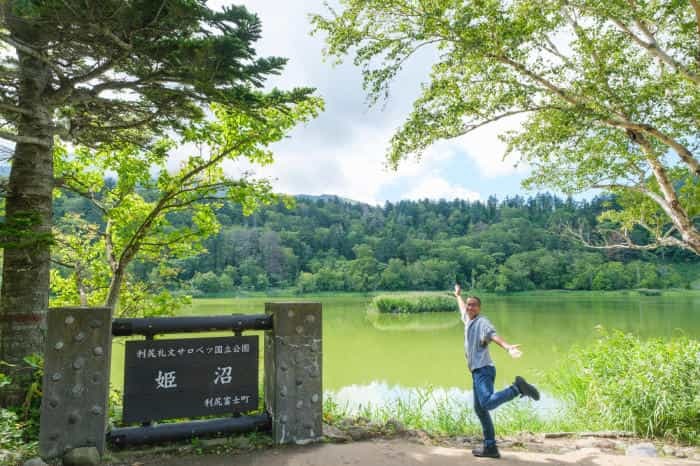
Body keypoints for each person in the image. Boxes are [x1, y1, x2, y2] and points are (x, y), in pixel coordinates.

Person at [454, 284, 540, 459]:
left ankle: (517, 388)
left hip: (483, 370)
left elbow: (493, 335)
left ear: (480, 308)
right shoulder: (468, 319)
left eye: (473, 305)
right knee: (480, 410)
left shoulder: (482, 322)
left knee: (486, 404)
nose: (470, 307)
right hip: (477, 371)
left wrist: (508, 347)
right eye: (469, 304)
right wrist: (457, 295)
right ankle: (490, 448)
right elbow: (462, 308)